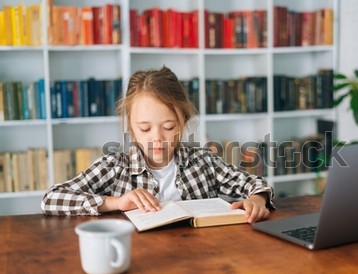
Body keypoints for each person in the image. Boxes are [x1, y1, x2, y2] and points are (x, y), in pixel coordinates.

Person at [41, 66, 274, 223]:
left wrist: (257, 199)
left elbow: (255, 183)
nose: (158, 138)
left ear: (183, 122)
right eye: (145, 128)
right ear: (130, 125)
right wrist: (116, 202)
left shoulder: (204, 162)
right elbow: (51, 198)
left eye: (169, 127)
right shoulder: (114, 166)